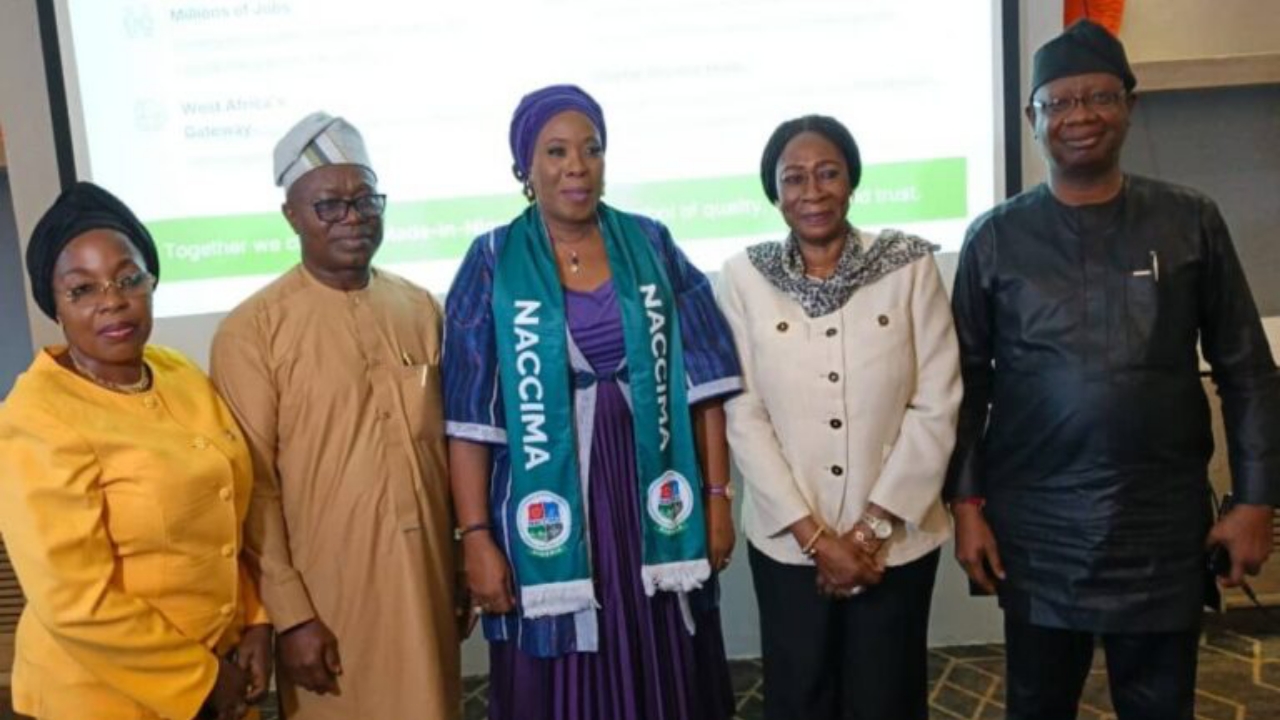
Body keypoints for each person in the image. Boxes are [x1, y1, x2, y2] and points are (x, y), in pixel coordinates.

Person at [947, 20, 1280, 720]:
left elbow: (1248, 369)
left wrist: (1255, 502)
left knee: (1160, 706)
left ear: (1129, 103)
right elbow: (968, 384)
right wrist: (968, 506)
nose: (1080, 117)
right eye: (1059, 103)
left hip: (1159, 522)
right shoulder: (996, 237)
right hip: (1035, 525)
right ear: (1034, 119)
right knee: (1037, 704)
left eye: (1098, 97)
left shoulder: (1190, 221)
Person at [443, 84, 742, 720]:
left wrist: (718, 499)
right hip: (546, 503)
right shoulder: (492, 261)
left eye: (591, 149)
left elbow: (705, 387)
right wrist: (474, 537)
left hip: (651, 495)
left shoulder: (652, 244)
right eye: (555, 151)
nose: (576, 166)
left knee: (665, 646)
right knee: (559, 661)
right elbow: (471, 420)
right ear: (525, 168)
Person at [210, 112, 461, 720]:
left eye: (365, 200)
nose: (353, 217)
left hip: (426, 578)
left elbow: (446, 454)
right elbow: (255, 493)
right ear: (292, 215)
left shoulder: (421, 308)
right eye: (329, 205)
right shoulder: (253, 331)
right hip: (329, 597)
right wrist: (291, 616)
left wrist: (456, 565)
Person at [717, 115, 961, 720]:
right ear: (775, 194)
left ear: (851, 179)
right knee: (800, 696)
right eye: (793, 178)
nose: (812, 191)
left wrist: (868, 533)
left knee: (887, 697)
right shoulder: (743, 278)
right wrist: (817, 540)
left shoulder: (906, 266)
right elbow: (743, 414)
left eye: (828, 173)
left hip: (895, 543)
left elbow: (937, 400)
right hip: (788, 543)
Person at [0, 182, 271, 720]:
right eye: (82, 290)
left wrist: (255, 618)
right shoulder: (36, 416)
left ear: (152, 281)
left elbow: (223, 517)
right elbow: (72, 601)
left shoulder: (178, 373)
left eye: (128, 279)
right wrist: (201, 681)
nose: (112, 301)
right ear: (53, 304)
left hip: (220, 664)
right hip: (100, 697)